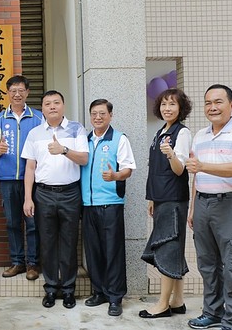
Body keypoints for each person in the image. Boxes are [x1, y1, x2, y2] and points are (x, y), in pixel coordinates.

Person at [22, 90, 88, 309]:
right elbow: (30, 168)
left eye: (56, 102)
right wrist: (27, 198)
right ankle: (51, 288)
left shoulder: (76, 128)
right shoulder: (34, 133)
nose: (52, 106)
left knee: (70, 243)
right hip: (43, 194)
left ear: (63, 106)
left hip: (70, 193)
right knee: (48, 243)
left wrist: (64, 150)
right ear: (42, 108)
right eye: (48, 103)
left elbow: (84, 158)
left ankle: (68, 289)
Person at [185, 84, 232, 330]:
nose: (212, 107)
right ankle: (212, 312)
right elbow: (195, 176)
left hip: (230, 204)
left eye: (218, 102)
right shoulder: (200, 135)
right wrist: (192, 207)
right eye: (208, 103)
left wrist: (204, 166)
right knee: (207, 264)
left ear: (231, 105)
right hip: (202, 204)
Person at [139, 89, 192, 319]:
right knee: (174, 248)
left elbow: (180, 169)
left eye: (172, 104)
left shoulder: (182, 133)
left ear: (181, 108)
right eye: (163, 104)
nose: (167, 108)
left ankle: (162, 304)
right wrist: (152, 198)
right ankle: (177, 301)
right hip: (161, 198)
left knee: (168, 248)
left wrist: (171, 154)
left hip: (173, 199)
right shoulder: (161, 131)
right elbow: (155, 170)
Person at [81, 99, 136, 317]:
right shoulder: (85, 139)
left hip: (111, 204)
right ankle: (99, 292)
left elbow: (128, 169)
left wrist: (115, 176)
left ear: (110, 115)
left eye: (102, 113)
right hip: (88, 204)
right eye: (94, 113)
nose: (97, 117)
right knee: (93, 252)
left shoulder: (119, 139)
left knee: (113, 252)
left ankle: (115, 297)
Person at [0, 75, 43, 280]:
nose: (17, 94)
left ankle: (32, 264)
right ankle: (17, 262)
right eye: (13, 91)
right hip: (8, 178)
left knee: (32, 222)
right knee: (12, 222)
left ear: (27, 93)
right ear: (7, 94)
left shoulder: (39, 117)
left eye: (21, 90)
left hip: (33, 179)